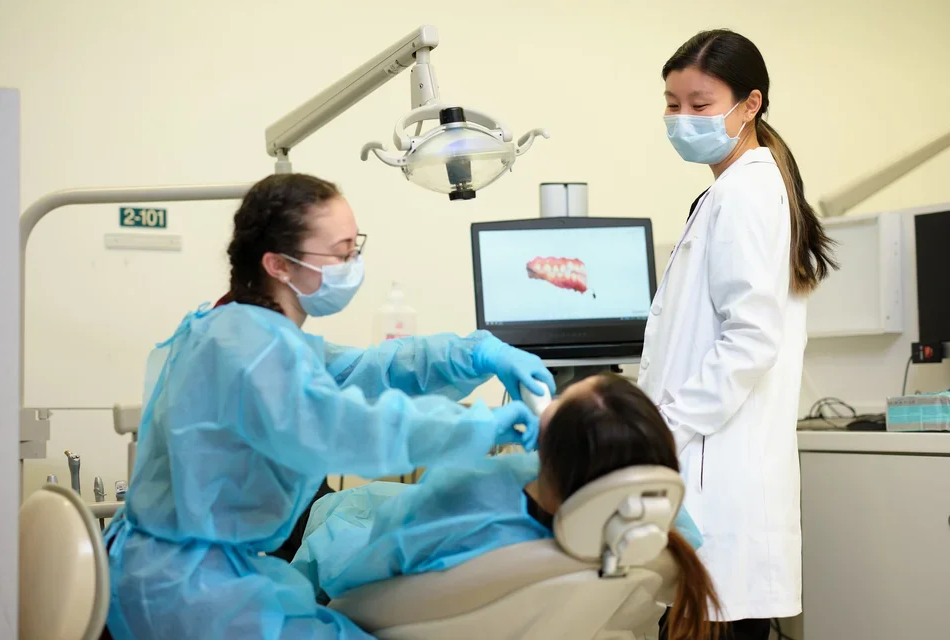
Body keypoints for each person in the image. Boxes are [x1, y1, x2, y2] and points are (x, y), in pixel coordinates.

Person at [101, 173, 556, 640]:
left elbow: (369, 371)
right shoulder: (247, 348)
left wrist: (475, 354)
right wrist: (483, 428)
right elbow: (350, 429)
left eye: (355, 248)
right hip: (185, 591)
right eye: (340, 254)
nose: (352, 264)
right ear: (279, 264)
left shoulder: (247, 328)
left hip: (194, 573)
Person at [644, 29, 837, 640]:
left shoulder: (748, 193)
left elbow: (751, 340)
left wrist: (665, 425)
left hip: (718, 483)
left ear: (750, 104)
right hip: (710, 477)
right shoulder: (731, 189)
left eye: (699, 105)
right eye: (673, 104)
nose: (681, 118)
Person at [295, 373, 721, 640]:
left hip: (355, 550)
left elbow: (349, 574)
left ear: (550, 453)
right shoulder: (649, 538)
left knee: (317, 499)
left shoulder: (465, 494)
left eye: (556, 405)